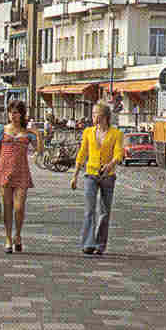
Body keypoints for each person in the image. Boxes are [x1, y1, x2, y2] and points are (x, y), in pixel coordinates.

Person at [71, 101, 124, 256]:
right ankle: (88, 243)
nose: (93, 116)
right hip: (91, 174)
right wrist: (75, 176)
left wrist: (110, 164)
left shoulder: (116, 134)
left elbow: (119, 153)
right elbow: (82, 153)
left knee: (105, 212)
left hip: (108, 176)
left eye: (96, 113)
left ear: (105, 116)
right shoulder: (88, 132)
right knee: (90, 209)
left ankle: (100, 244)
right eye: (93, 113)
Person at [0, 100, 38, 254]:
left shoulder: (27, 132)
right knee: (7, 207)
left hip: (21, 171)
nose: (13, 115)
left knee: (19, 207)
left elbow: (40, 150)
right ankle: (8, 238)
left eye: (16, 112)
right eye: (10, 112)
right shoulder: (2, 129)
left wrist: (38, 134)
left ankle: (18, 234)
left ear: (22, 114)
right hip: (4, 171)